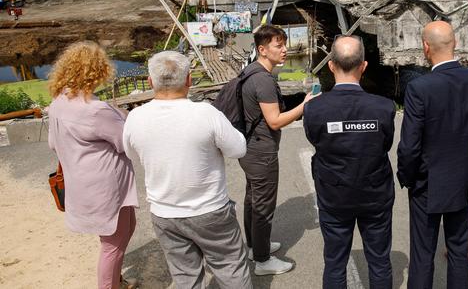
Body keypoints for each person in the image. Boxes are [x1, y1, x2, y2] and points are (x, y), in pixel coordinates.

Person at [123, 51, 252, 288]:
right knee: (230, 266)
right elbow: (238, 149)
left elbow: (132, 154)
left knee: (185, 276)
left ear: (150, 82)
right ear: (189, 80)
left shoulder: (135, 118)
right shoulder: (206, 113)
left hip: (164, 211)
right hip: (210, 209)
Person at [397, 21, 468, 289]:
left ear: (426, 47)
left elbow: (410, 145)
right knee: (459, 249)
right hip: (464, 176)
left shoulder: (420, 88)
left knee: (422, 254)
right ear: (455, 44)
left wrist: (406, 176)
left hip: (427, 181)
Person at [303, 35, 396, 289]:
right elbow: (385, 144)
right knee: (379, 260)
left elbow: (315, 140)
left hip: (334, 193)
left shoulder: (314, 108)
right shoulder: (384, 107)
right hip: (375, 192)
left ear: (331, 65)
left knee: (335, 262)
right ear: (363, 66)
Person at [47, 41, 138, 289]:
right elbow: (125, 142)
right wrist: (123, 115)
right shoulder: (95, 110)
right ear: (96, 72)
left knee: (126, 229)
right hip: (105, 187)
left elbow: (53, 143)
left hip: (82, 183)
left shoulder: (58, 103)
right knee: (113, 245)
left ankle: (116, 280)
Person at [240, 24, 317, 275]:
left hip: (250, 148)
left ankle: (255, 246)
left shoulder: (251, 71)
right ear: (262, 49)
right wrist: (304, 106)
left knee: (253, 200)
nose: (284, 50)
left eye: (284, 44)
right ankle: (262, 261)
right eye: (278, 45)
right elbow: (274, 121)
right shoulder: (263, 80)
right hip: (262, 152)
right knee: (263, 206)